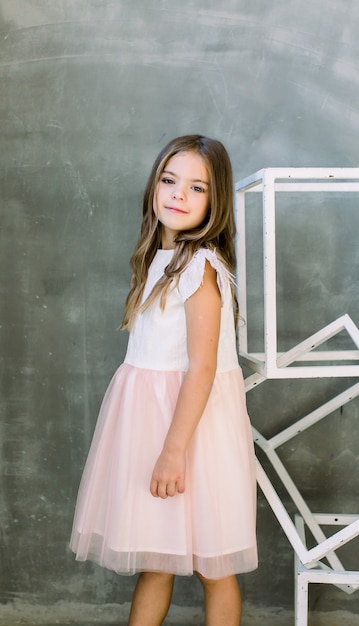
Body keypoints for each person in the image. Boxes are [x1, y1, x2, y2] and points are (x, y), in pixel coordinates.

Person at [70, 134, 258, 626]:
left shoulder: (203, 269)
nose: (178, 194)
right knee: (156, 562)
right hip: (150, 424)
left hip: (191, 431)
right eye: (170, 180)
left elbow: (201, 369)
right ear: (155, 185)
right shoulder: (158, 260)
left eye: (197, 188)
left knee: (213, 566)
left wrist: (173, 450)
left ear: (215, 202)